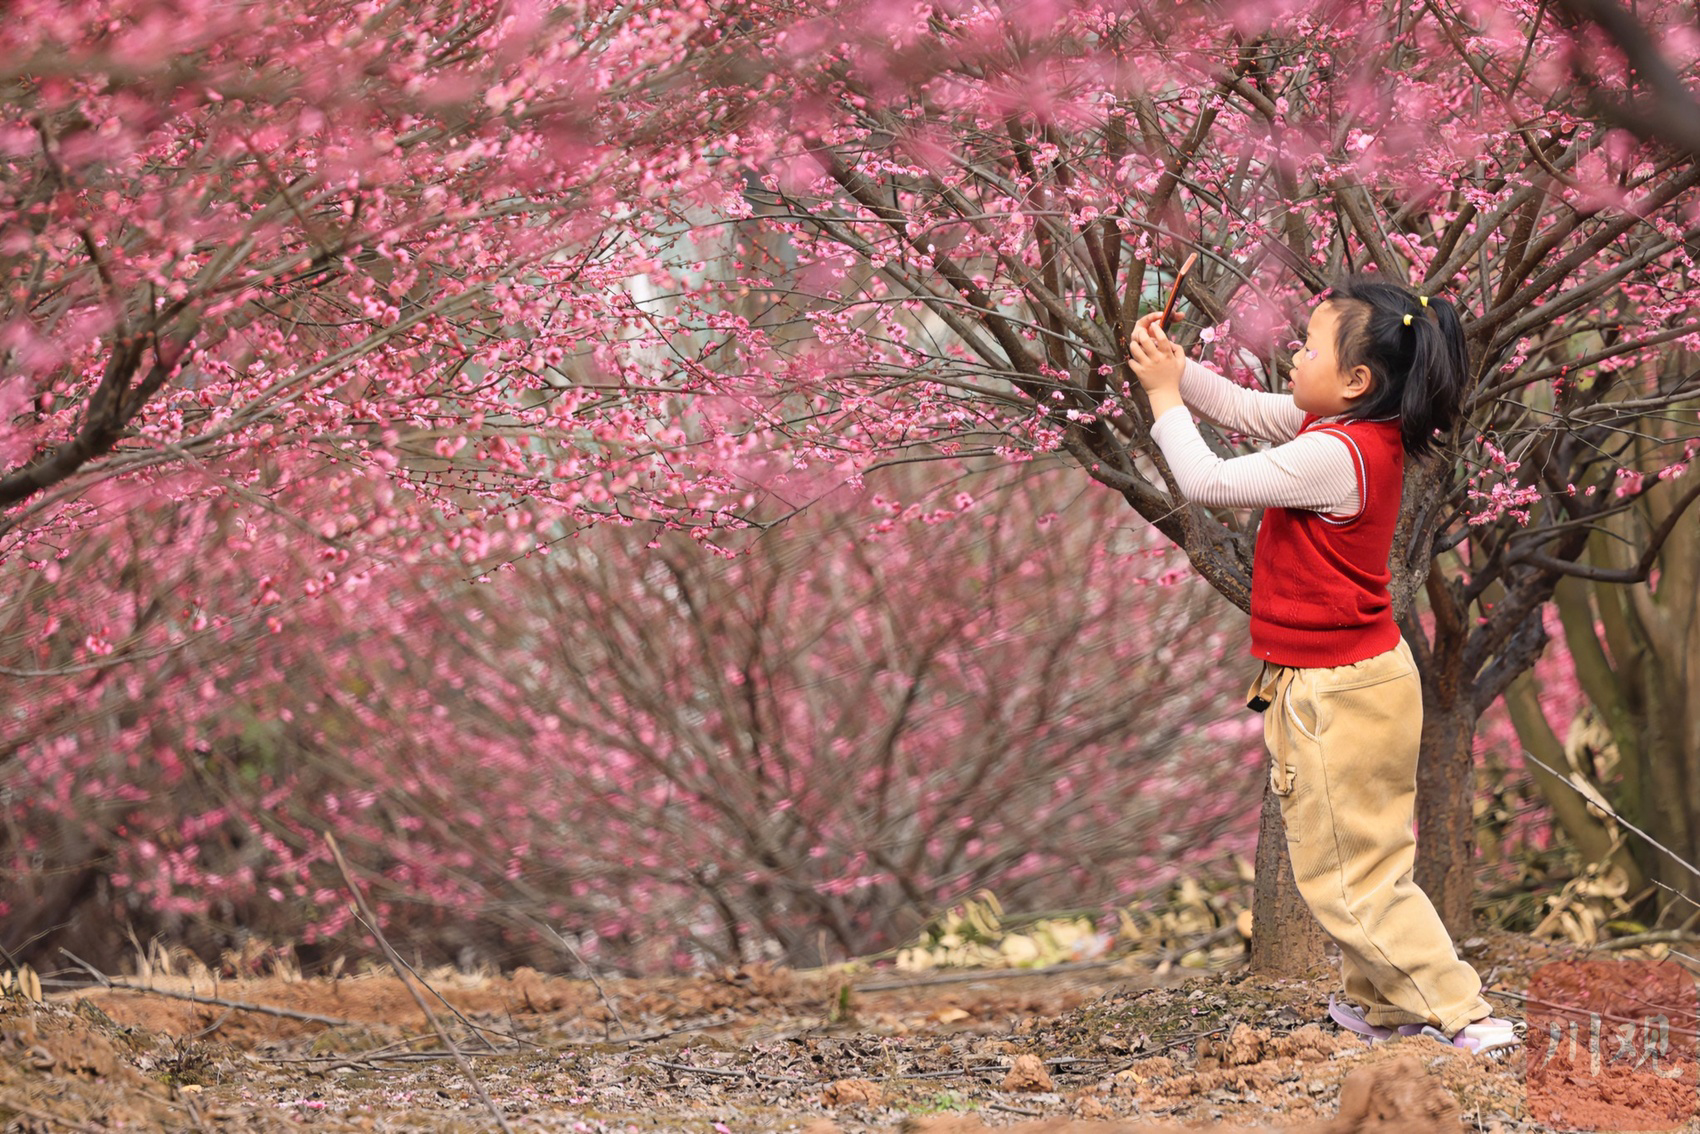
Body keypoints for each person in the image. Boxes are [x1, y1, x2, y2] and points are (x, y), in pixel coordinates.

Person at [1125, 274, 1519, 1057]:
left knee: (1348, 874)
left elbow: (1208, 482)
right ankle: (1385, 1005)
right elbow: (1240, 408)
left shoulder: (1335, 456)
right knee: (1365, 855)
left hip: (1337, 692)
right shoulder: (1350, 430)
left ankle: (1462, 1015)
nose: (1293, 356)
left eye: (1309, 346)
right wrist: (1173, 369)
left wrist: (1164, 400)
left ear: (1357, 381)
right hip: (1363, 678)